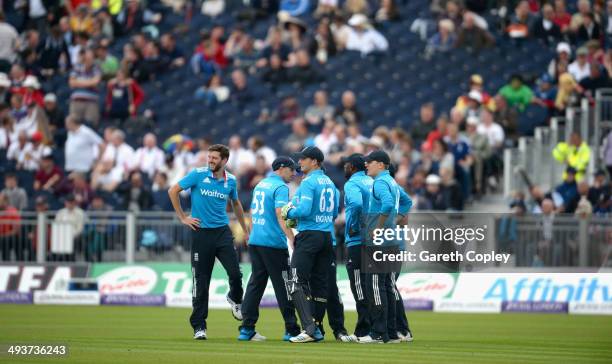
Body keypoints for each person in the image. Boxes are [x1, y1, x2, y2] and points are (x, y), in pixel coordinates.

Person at [168, 144, 250, 340]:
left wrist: (246, 230)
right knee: (201, 282)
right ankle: (199, 326)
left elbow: (236, 203)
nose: (210, 160)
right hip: (201, 233)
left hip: (222, 233)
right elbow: (173, 190)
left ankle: (235, 298)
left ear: (224, 161)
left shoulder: (231, 180)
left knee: (235, 274)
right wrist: (183, 217)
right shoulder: (197, 174)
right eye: (209, 157)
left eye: (214, 158)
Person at [239, 157, 301, 342]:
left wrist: (250, 232)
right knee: (284, 286)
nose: (294, 173)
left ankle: (246, 329)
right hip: (273, 242)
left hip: (256, 241)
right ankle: (291, 329)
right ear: (281, 168)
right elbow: (280, 214)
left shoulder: (261, 184)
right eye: (291, 170)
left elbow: (252, 211)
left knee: (255, 284)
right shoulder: (280, 187)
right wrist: (291, 237)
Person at [280, 146, 336, 343]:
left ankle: (309, 329)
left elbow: (302, 209)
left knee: (295, 280)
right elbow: (335, 211)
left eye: (303, 159)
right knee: (320, 284)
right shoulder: (330, 182)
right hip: (326, 236)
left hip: (309, 235)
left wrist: (289, 213)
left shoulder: (308, 182)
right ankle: (317, 328)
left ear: (314, 161)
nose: (299, 162)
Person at [360, 150, 411, 343]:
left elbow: (388, 204)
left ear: (381, 164)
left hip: (379, 242)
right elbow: (407, 202)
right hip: (392, 242)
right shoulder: (393, 183)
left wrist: (380, 227)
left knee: (375, 286)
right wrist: (396, 221)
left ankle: (378, 333)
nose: (366, 165)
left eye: (370, 162)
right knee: (388, 287)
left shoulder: (380, 182)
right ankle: (390, 333)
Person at [341, 154, 372, 340]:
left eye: (346, 164)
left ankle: (363, 331)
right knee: (373, 285)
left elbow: (357, 203)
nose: (344, 167)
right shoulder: (372, 181)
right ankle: (382, 329)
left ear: (352, 167)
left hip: (358, 240)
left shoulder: (352, 183)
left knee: (359, 286)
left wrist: (356, 224)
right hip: (376, 240)